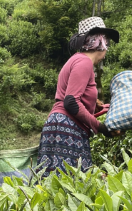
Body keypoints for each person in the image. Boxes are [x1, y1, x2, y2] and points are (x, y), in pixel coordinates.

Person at [37, 16, 121, 177]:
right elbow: (71, 102)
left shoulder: (76, 60)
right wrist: (101, 127)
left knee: (54, 186)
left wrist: (98, 106)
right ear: (100, 43)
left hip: (59, 124)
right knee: (74, 184)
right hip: (66, 128)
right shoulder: (84, 62)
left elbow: (71, 98)